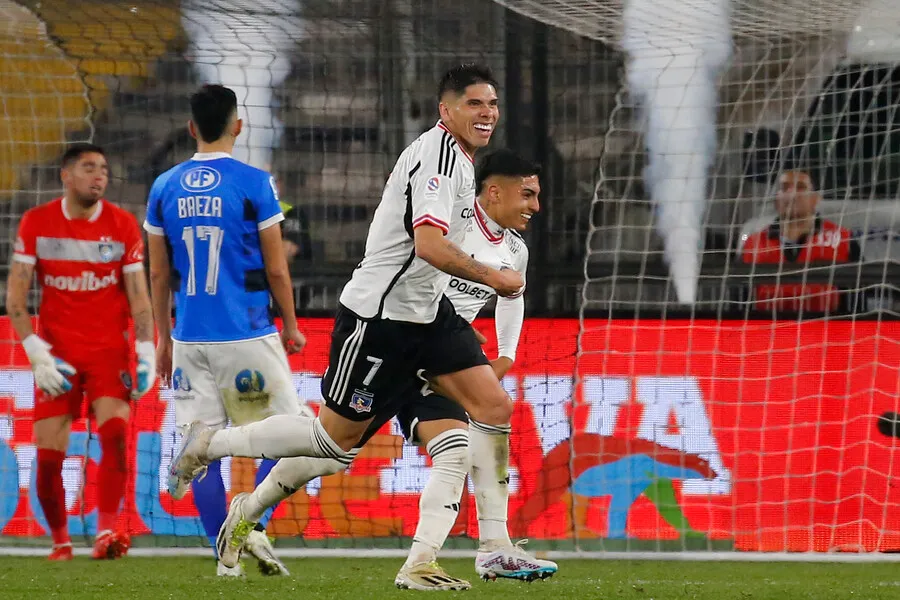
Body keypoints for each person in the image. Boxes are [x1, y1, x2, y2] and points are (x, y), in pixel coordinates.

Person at [167, 63, 523, 575]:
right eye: (474, 104)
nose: (486, 113)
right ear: (446, 110)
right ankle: (212, 446)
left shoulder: (464, 163)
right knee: (333, 443)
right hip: (381, 317)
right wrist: (493, 277)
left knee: (493, 405)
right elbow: (427, 245)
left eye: (492, 104)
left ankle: (492, 550)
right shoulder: (441, 157)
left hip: (429, 316)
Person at [216, 148, 558, 589]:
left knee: (455, 451)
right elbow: (407, 269)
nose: (535, 206)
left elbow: (514, 298)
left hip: (443, 364)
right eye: (527, 194)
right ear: (494, 191)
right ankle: (246, 512)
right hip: (394, 344)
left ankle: (423, 563)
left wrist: (504, 356)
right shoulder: (448, 220)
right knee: (328, 454)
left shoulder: (515, 249)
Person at [144, 84, 308, 577]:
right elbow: (278, 269)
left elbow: (156, 274)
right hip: (247, 334)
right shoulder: (256, 183)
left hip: (189, 337)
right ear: (238, 125)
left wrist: (161, 339)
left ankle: (227, 561)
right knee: (295, 440)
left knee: (202, 448)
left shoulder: (164, 186)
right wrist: (293, 325)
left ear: (192, 128)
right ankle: (246, 529)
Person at [5, 143, 155, 561]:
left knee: (116, 435)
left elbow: (140, 300)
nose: (99, 176)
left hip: (108, 351)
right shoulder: (37, 222)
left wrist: (146, 351)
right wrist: (35, 352)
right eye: (89, 168)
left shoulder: (123, 225)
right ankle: (61, 541)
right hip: (58, 357)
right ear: (65, 176)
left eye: (104, 168)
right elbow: (16, 299)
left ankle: (107, 532)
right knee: (49, 456)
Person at [740, 170, 860, 312]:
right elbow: (740, 299)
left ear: (815, 198)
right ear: (776, 199)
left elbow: (858, 297)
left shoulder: (842, 239)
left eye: (801, 187)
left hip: (825, 330)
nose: (792, 194)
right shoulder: (754, 243)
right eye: (785, 188)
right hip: (769, 330)